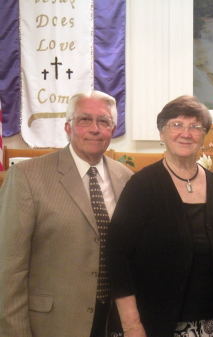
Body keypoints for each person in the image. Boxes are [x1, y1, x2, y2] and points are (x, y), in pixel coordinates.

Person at [0, 90, 133, 337]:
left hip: (112, 321)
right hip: (53, 323)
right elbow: (9, 268)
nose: (95, 128)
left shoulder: (125, 177)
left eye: (103, 121)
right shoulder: (27, 177)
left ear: (112, 130)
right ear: (68, 127)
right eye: (84, 120)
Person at [107, 95, 213, 337]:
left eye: (195, 127)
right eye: (176, 125)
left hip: (206, 324)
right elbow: (116, 256)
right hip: (150, 323)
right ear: (162, 133)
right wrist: (131, 325)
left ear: (204, 136)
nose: (186, 133)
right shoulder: (142, 185)